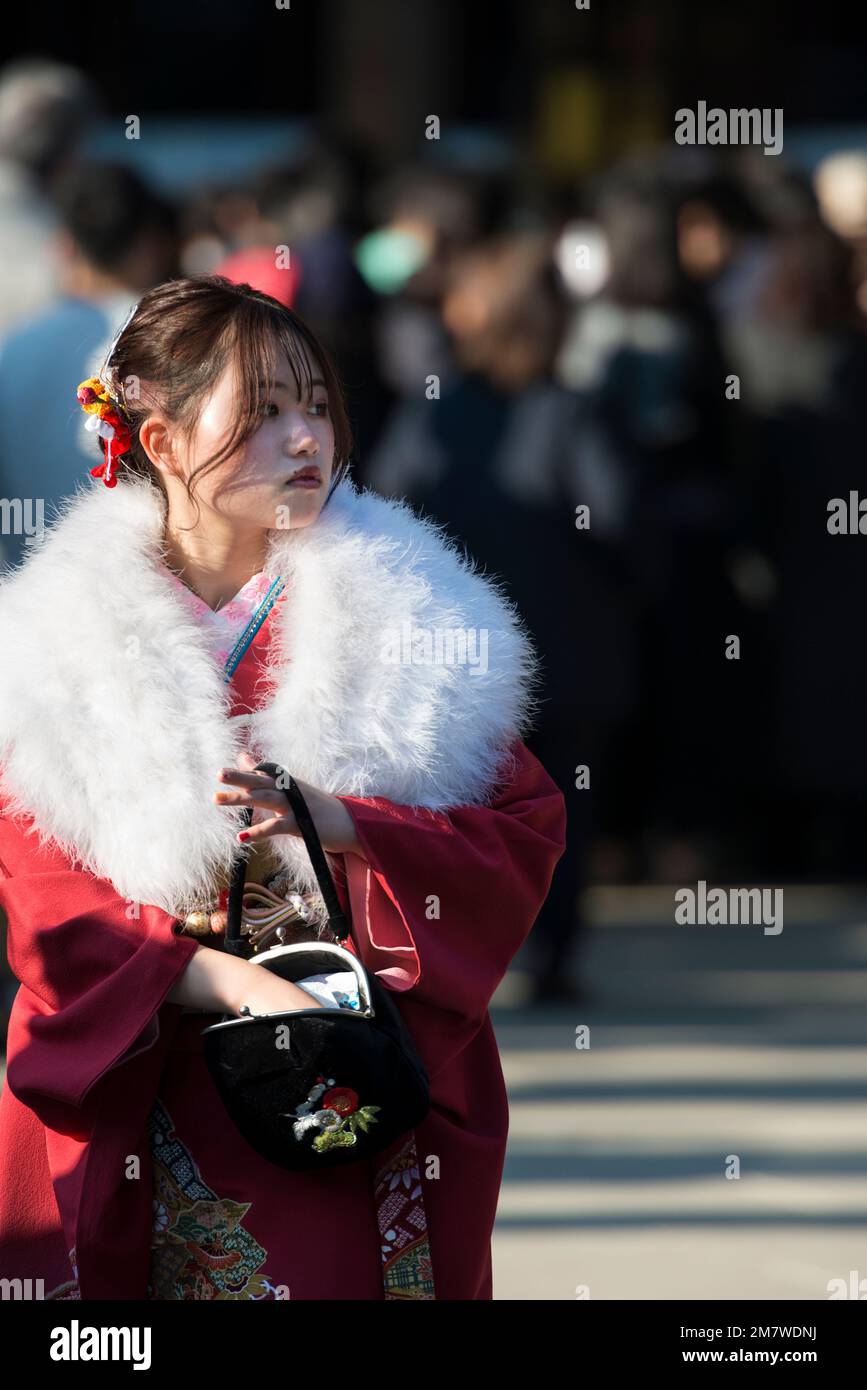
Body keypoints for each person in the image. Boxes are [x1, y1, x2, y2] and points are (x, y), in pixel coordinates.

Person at [0, 275, 566, 1300]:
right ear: (161, 441)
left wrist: (346, 821)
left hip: (347, 1069)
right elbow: (50, 904)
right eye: (261, 415)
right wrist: (241, 986)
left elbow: (522, 827)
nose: (306, 438)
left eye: (315, 404)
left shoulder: (409, 623)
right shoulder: (49, 644)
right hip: (158, 1069)